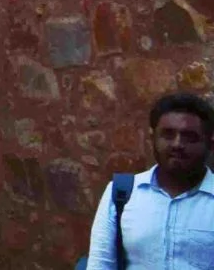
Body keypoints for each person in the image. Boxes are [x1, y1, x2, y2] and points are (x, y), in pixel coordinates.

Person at [84, 92, 214, 269]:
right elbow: (100, 264)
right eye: (168, 134)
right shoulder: (122, 193)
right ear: (152, 138)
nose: (177, 144)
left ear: (209, 144)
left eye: (189, 136)